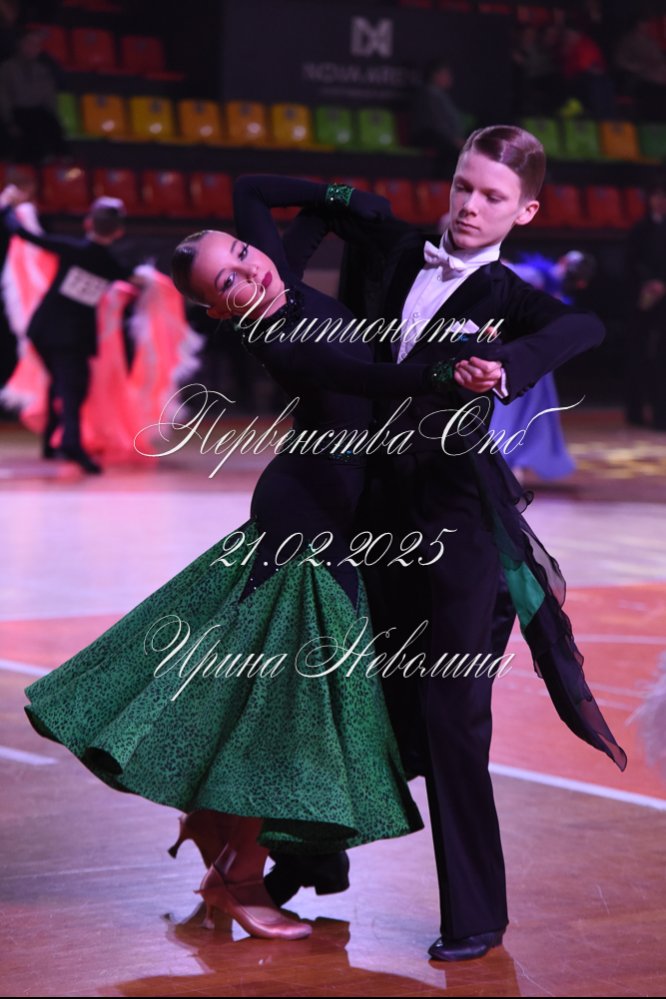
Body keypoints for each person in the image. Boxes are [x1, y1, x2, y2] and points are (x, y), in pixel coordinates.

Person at [22, 174, 463, 942]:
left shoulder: (275, 274)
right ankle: (237, 878)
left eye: (243, 254)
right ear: (220, 311)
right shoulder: (281, 335)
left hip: (316, 514)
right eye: (227, 280)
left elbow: (252, 190)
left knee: (274, 701)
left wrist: (335, 197)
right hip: (307, 531)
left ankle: (216, 833)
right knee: (289, 713)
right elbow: (363, 377)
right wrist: (444, 370)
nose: (248, 270)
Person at [315, 124, 627, 961]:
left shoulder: (510, 297)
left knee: (453, 709)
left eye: (493, 196)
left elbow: (585, 326)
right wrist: (345, 201)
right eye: (463, 186)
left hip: (457, 512)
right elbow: (290, 206)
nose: (470, 207)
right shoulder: (394, 253)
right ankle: (309, 858)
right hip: (373, 507)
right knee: (356, 696)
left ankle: (475, 914)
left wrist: (512, 362)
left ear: (524, 211)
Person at [0, 187, 135, 473]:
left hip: (44, 329)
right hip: (70, 337)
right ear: (118, 232)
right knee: (72, 388)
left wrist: (7, 207)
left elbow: (25, 235)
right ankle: (70, 442)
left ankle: (52, 441)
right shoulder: (111, 264)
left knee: (61, 383)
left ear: (88, 223)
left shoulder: (73, 249)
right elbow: (134, 280)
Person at [623, 178, 666, 430]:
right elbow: (631, 263)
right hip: (642, 300)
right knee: (639, 355)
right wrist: (649, 283)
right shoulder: (640, 230)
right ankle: (636, 412)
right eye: (657, 195)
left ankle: (661, 416)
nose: (661, 201)